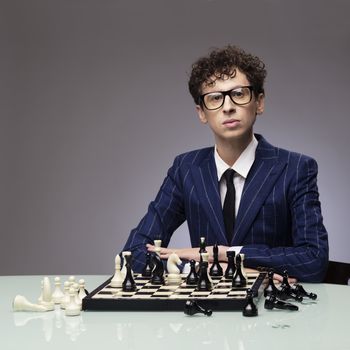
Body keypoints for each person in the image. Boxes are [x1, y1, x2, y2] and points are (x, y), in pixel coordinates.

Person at [123, 45, 329, 282]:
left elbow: (313, 260)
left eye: (239, 94)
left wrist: (224, 254)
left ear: (259, 102)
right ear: (201, 112)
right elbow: (134, 254)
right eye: (215, 98)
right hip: (204, 311)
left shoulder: (296, 168)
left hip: (273, 312)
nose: (228, 107)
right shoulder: (186, 169)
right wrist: (217, 270)